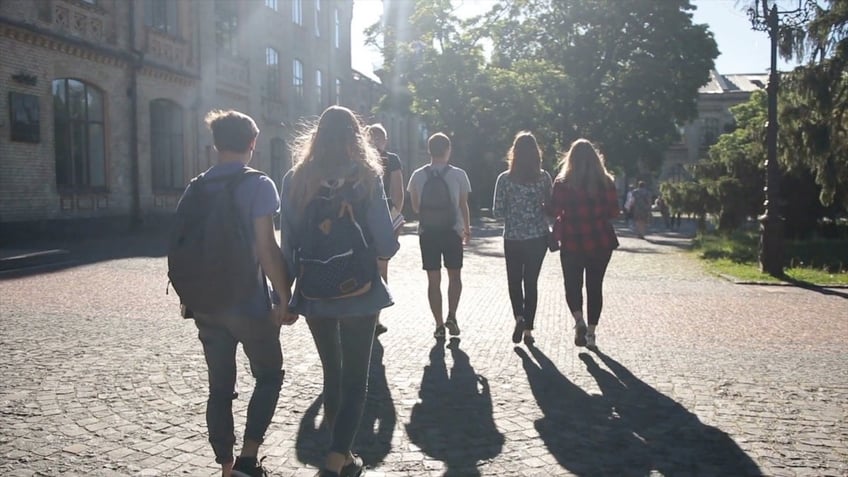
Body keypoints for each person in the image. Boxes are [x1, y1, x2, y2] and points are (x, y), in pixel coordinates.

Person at [279, 106, 399, 477]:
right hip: (360, 290)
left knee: (332, 373)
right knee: (355, 380)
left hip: (314, 290)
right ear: (355, 137)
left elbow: (289, 242)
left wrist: (285, 297)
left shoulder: (296, 178)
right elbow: (385, 242)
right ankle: (336, 459)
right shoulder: (366, 175)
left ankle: (342, 454)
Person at [183, 110, 295, 477]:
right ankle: (249, 458)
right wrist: (283, 296)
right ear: (252, 143)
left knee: (220, 388)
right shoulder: (259, 184)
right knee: (268, 375)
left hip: (206, 304)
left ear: (216, 144)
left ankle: (226, 467)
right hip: (248, 303)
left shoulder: (196, 186)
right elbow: (266, 248)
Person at [547, 139, 620, 351]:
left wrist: (544, 205)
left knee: (572, 284)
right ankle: (591, 333)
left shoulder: (563, 183)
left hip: (572, 239)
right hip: (600, 240)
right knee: (595, 287)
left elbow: (553, 211)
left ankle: (578, 320)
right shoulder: (606, 182)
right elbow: (614, 212)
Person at [407, 132, 472, 339]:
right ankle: (452, 315)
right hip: (452, 231)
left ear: (429, 150)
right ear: (448, 150)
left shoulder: (417, 175)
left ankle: (438, 324)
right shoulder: (458, 174)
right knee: (455, 277)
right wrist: (467, 229)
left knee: (433, 280)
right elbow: (463, 205)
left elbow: (416, 208)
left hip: (428, 233)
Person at [492, 131, 552, 346]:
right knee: (531, 282)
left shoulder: (505, 179)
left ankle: (518, 317)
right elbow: (552, 207)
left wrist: (513, 210)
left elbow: (497, 211)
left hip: (513, 237)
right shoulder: (544, 178)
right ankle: (528, 330)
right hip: (537, 237)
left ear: (514, 153)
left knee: (514, 281)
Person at [366, 123, 405, 337]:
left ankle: (371, 315)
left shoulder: (359, 158)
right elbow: (398, 192)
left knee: (371, 264)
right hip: (383, 216)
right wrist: (394, 216)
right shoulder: (392, 159)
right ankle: (375, 317)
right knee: (381, 266)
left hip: (365, 218)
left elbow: (398, 191)